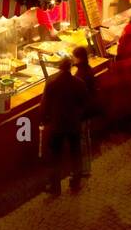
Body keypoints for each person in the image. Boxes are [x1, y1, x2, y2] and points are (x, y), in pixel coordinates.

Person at [39, 56, 87, 196]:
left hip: (57, 124)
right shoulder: (79, 83)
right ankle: (76, 181)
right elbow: (84, 101)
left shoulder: (51, 83)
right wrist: (79, 115)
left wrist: (43, 119)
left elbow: (44, 105)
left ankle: (55, 186)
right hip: (73, 123)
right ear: (70, 67)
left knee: (55, 156)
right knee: (75, 153)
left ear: (59, 67)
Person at [72, 45, 100, 180]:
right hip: (88, 110)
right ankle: (86, 167)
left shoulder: (81, 75)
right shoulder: (87, 70)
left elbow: (79, 95)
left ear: (79, 58)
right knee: (85, 138)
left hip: (83, 112)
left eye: (74, 57)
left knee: (83, 140)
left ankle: (85, 169)